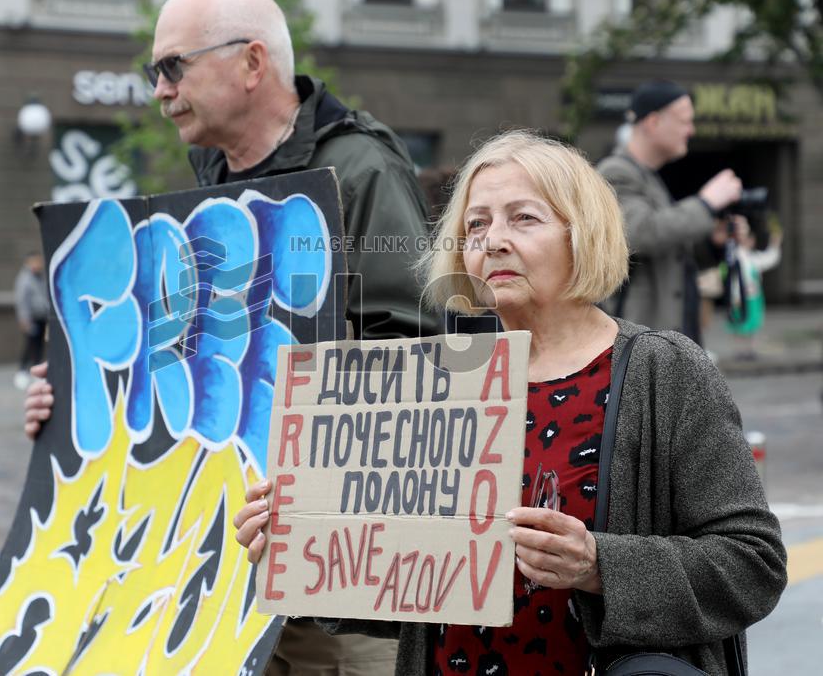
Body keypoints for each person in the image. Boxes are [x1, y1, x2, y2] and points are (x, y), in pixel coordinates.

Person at [234, 130, 786, 675]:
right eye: (476, 224)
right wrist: (302, 546)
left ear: (583, 234)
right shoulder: (441, 379)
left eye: (524, 218)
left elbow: (753, 565)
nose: (492, 240)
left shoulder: (664, 372)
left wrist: (600, 566)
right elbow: (418, 598)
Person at [24, 0, 439, 675]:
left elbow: (424, 356)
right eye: (156, 70)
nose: (159, 89)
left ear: (252, 64)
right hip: (223, 579)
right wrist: (79, 399)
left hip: (344, 584)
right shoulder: (209, 184)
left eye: (172, 67)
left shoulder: (360, 170)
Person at [598, 79, 744, 345]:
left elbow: (671, 256)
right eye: (685, 121)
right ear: (653, 122)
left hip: (660, 341)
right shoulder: (615, 172)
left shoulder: (648, 177)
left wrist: (713, 242)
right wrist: (706, 204)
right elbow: (640, 234)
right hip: (639, 345)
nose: (691, 130)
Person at [723, 215, 783, 359]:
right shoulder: (735, 255)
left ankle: (750, 350)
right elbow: (734, 279)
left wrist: (775, 243)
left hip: (753, 297)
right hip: (739, 297)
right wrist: (735, 296)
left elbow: (769, 258)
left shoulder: (752, 257)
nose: (750, 241)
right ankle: (739, 350)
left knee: (752, 324)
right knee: (738, 325)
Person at [13, 252, 49, 390]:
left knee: (39, 346)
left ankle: (35, 371)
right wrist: (24, 320)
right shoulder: (25, 279)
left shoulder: (41, 277)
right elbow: (21, 300)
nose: (38, 264)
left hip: (42, 317)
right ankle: (22, 371)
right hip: (31, 318)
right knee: (30, 345)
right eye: (35, 261)